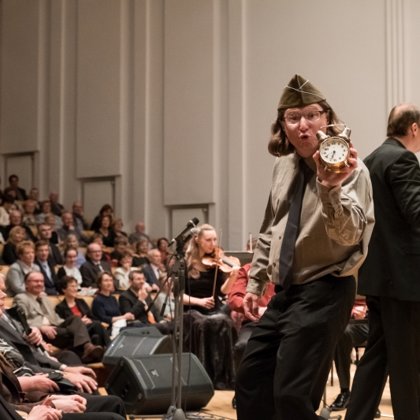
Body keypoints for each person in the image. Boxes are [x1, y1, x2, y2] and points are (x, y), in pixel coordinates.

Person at [234, 74, 374, 420]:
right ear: (283, 125)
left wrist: (330, 188)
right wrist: (255, 282)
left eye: (312, 115)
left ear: (327, 118)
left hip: (327, 287)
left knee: (291, 393)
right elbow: (271, 227)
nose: (303, 125)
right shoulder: (283, 165)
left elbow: (350, 236)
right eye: (293, 117)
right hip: (287, 290)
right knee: (251, 380)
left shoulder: (352, 169)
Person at [345, 104, 420, 420]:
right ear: (414, 128)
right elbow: (416, 212)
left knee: (377, 355)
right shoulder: (403, 159)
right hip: (403, 280)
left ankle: (357, 415)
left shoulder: (371, 159)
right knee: (408, 362)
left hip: (378, 276)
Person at [183, 223, 239, 389]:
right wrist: (199, 301)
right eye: (208, 240)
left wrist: (233, 276)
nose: (213, 244)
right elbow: (178, 296)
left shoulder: (216, 263)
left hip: (213, 309)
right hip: (192, 309)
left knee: (224, 322)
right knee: (204, 324)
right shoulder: (185, 264)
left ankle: (221, 376)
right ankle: (203, 375)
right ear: (197, 240)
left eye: (215, 239)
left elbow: (224, 291)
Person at [14, 271, 104, 364]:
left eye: (41, 281)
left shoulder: (45, 299)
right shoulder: (21, 298)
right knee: (89, 335)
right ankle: (90, 351)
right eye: (36, 281)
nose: (39, 283)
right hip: (41, 333)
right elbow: (21, 320)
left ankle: (88, 350)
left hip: (56, 328)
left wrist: (75, 325)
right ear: (27, 284)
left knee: (76, 320)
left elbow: (56, 318)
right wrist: (40, 327)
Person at [329, 299, 370, 412]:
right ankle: (345, 391)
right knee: (341, 334)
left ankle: (368, 396)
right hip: (349, 320)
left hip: (371, 320)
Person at [55, 277, 110, 347]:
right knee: (97, 325)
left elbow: (93, 317)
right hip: (76, 333)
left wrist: (89, 320)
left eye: (76, 286)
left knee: (96, 336)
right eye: (72, 286)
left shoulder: (81, 302)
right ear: (64, 289)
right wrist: (80, 322)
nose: (75, 289)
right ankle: (111, 347)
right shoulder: (60, 307)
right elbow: (64, 325)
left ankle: (101, 351)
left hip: (89, 328)